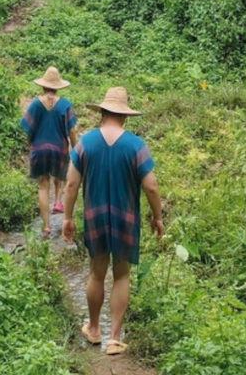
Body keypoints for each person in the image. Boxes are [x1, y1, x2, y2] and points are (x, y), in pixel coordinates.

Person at [62, 87, 163, 355]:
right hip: (125, 219)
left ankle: (94, 329)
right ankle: (114, 339)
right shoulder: (136, 145)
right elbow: (151, 187)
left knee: (96, 273)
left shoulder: (85, 142)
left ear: (102, 112)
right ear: (124, 116)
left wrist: (68, 217)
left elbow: (71, 184)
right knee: (121, 276)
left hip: (94, 217)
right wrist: (157, 217)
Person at [20, 67, 78, 238]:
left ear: (43, 86)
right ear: (58, 87)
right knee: (60, 178)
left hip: (39, 149)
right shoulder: (66, 105)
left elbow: (28, 129)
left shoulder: (35, 104)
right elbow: (72, 131)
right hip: (60, 149)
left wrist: (30, 145)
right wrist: (76, 149)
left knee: (43, 186)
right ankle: (59, 204)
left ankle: (46, 226)